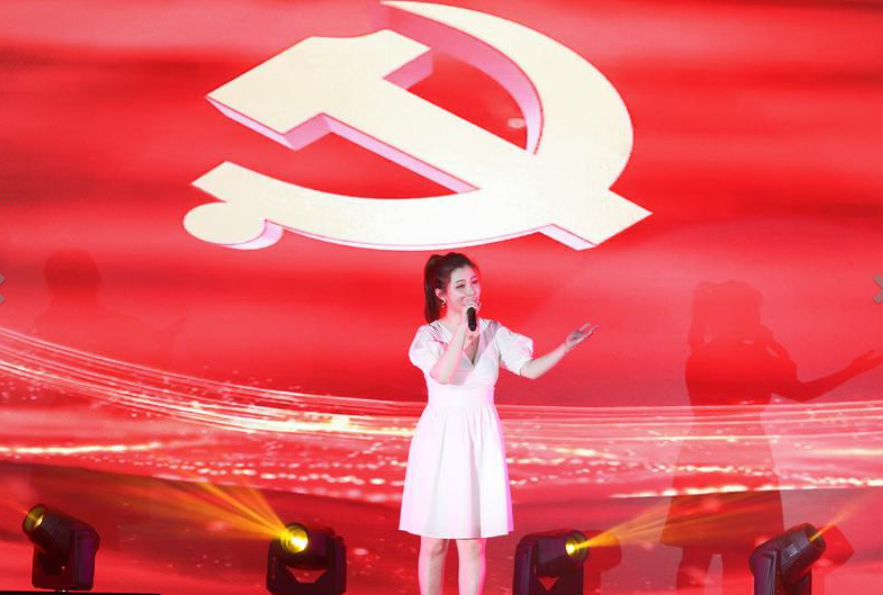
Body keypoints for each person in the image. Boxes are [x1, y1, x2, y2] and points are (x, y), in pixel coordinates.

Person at [399, 252, 597, 595]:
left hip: (480, 438)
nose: (471, 291)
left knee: (473, 542)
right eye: (461, 286)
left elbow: (528, 369)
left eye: (474, 282)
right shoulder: (429, 336)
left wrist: (564, 348)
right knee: (434, 541)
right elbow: (443, 374)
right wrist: (462, 334)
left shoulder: (494, 331)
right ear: (441, 294)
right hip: (442, 438)